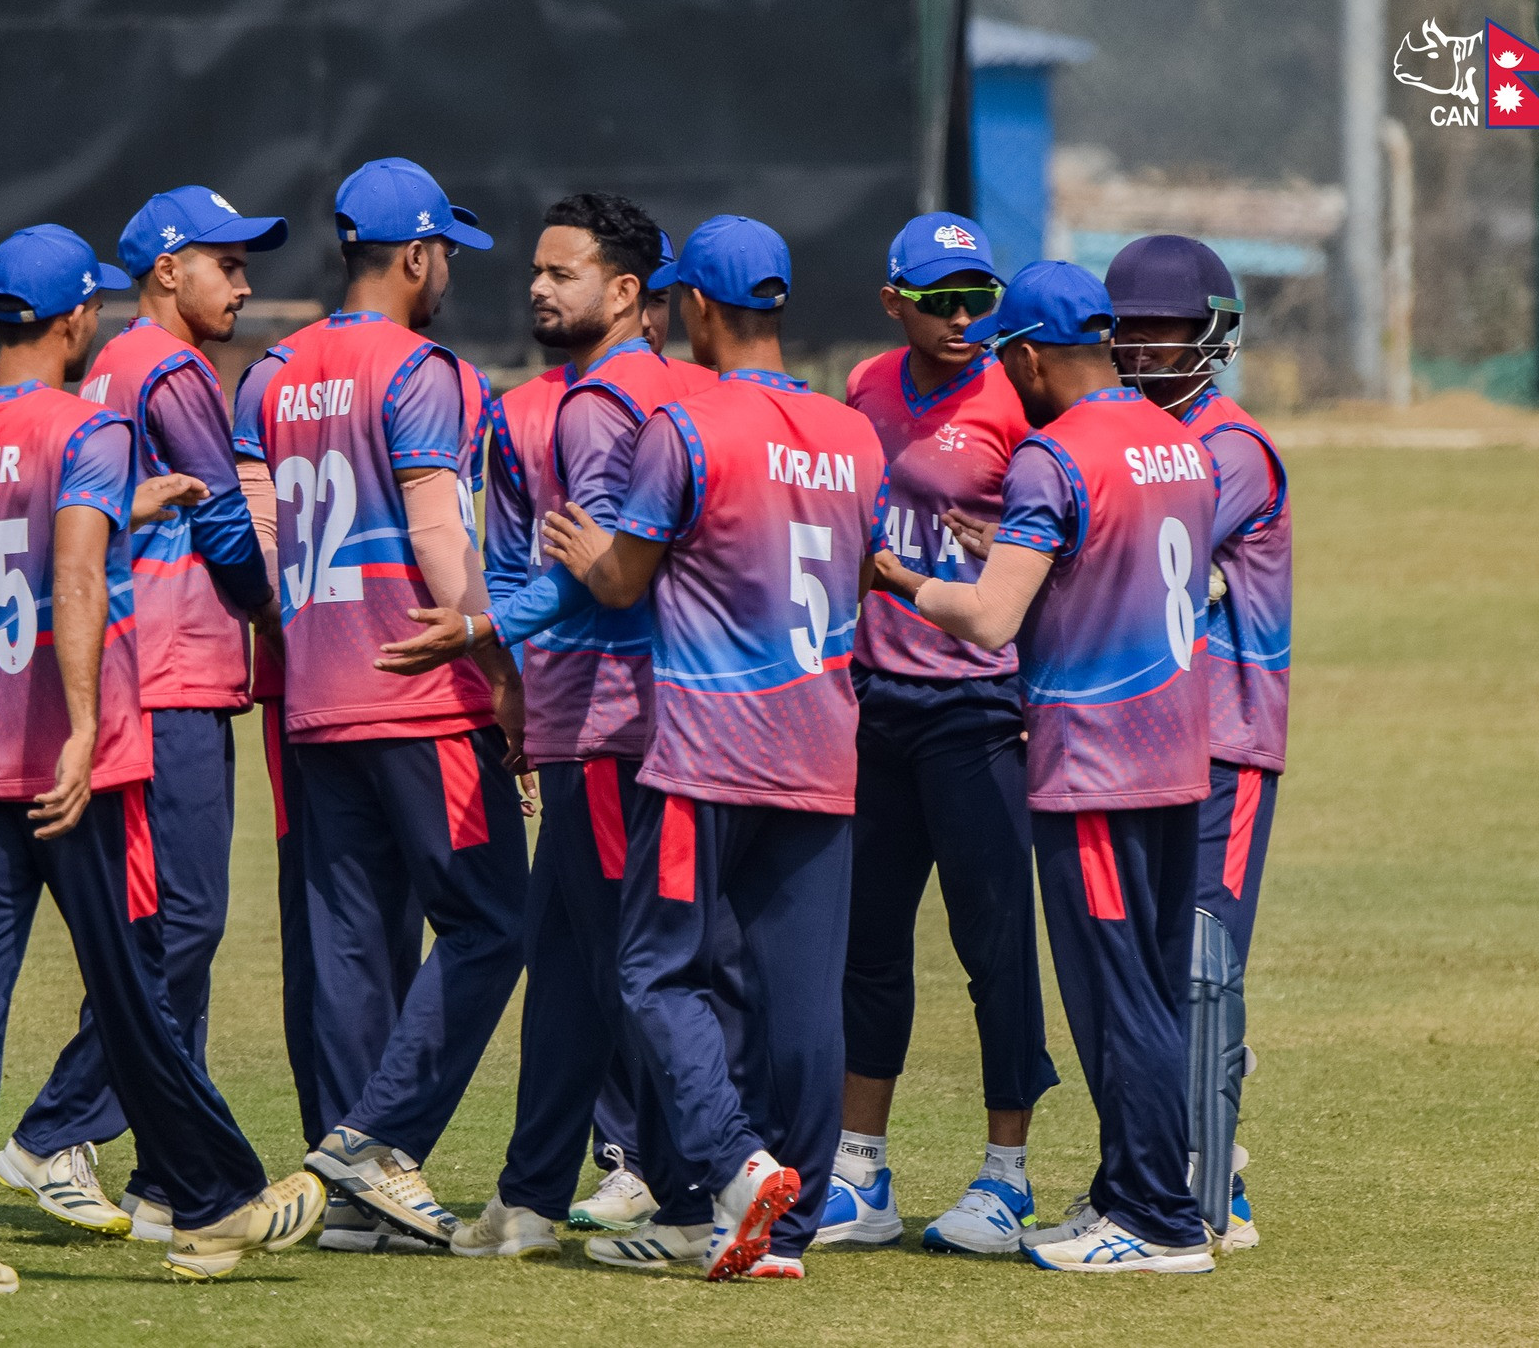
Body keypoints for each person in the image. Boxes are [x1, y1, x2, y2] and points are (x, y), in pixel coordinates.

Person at [0, 226, 322, 1296]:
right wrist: (84, 726)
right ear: (81, 316)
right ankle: (213, 1203)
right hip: (80, 772)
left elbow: (7, 532)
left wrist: (132, 502)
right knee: (138, 990)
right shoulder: (87, 429)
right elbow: (75, 574)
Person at [542, 215, 898, 1281]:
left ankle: (734, 1165)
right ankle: (783, 1231)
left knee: (653, 970)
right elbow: (859, 570)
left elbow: (623, 581)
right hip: (822, 752)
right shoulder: (853, 434)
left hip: (706, 757)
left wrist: (583, 547)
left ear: (695, 306)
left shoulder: (685, 427)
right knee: (800, 1000)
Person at [376, 193, 716, 1260]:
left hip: (622, 723)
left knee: (630, 967)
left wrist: (484, 633)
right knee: (569, 968)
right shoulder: (552, 405)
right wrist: (515, 685)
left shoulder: (614, 404)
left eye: (561, 273)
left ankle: (688, 1199)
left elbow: (600, 571)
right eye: (535, 269)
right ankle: (528, 1197)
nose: (536, 287)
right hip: (581, 722)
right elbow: (533, 558)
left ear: (627, 291)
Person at [237, 157, 530, 1250]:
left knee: (350, 944)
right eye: (444, 250)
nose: (447, 268)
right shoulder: (425, 370)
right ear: (414, 254)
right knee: (495, 918)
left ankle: (355, 1199)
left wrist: (305, 638)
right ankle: (372, 1146)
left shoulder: (270, 372)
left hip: (314, 694)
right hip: (420, 690)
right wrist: (499, 663)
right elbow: (438, 532)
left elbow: (258, 548)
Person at [0, 186, 285, 1246]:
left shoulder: (114, 364)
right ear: (168, 269)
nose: (242, 285)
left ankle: (174, 1180)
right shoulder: (171, 370)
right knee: (183, 928)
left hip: (141, 668)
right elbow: (229, 532)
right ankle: (54, 1134)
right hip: (171, 673)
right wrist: (276, 617)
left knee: (167, 931)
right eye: (225, 263)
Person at [909, 260, 1218, 1274]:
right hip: (1174, 752)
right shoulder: (1180, 441)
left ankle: (1159, 1222)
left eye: (1009, 359)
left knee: (1114, 996)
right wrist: (1012, 547)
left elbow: (988, 618)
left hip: (1093, 765)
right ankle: (1131, 1194)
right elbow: (1112, 567)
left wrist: (897, 577)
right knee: (1149, 988)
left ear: (1033, 356)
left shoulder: (1050, 457)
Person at [814, 212, 1059, 1254]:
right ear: (892, 302)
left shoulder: (1016, 398)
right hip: (876, 704)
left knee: (993, 946)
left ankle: (1006, 1177)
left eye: (977, 300)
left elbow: (1061, 537)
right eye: (940, 301)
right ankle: (859, 1172)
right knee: (865, 946)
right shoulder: (864, 387)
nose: (964, 320)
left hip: (980, 710)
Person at [1107, 234, 1289, 1253]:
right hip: (1138, 736)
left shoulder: (1230, 448)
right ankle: (1166, 1166)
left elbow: (1135, 542)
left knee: (1202, 959)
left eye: (1164, 330)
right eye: (1128, 330)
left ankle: (1214, 1184)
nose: (1144, 350)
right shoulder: (1123, 434)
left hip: (1226, 739)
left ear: (1211, 335)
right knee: (1146, 962)